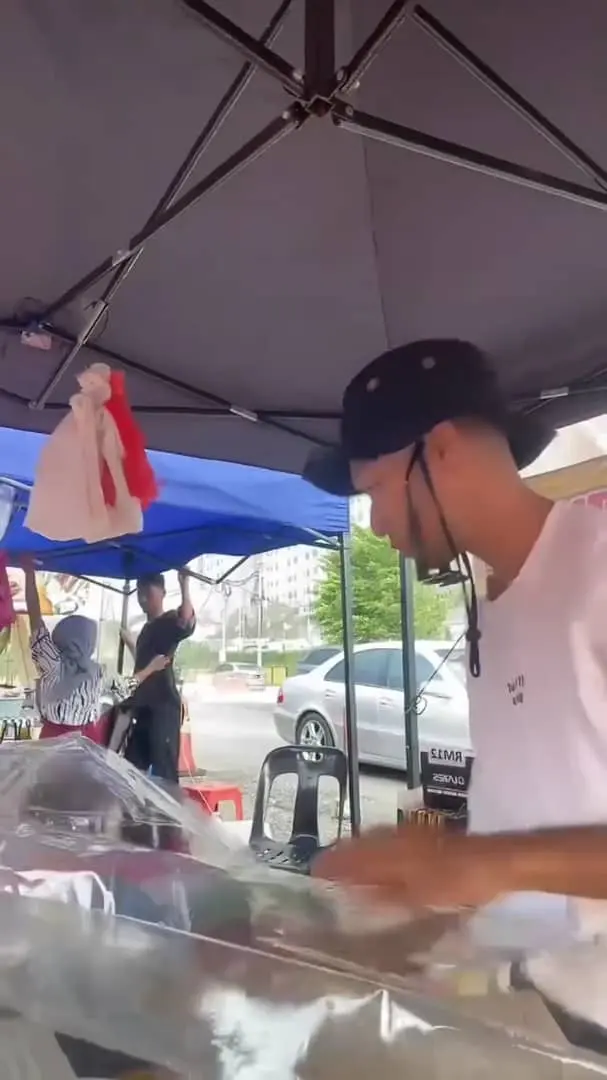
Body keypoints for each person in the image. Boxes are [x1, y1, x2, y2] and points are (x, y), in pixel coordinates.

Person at [303, 339, 607, 909]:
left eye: (375, 490)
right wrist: (432, 873)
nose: (375, 524)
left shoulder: (596, 570)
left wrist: (483, 862)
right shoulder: (489, 609)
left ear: (441, 449)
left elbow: (504, 859)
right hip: (517, 963)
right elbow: (528, 815)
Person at [23, 561, 168, 741]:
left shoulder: (52, 664)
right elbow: (125, 687)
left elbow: (35, 621)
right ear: (88, 643)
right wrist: (151, 668)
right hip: (86, 743)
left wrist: (29, 574)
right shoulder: (97, 673)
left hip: (51, 742)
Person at [121, 569, 195, 783]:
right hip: (143, 706)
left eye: (149, 594)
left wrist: (184, 584)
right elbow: (144, 661)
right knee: (131, 767)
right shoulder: (146, 629)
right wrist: (130, 642)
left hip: (163, 708)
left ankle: (169, 805)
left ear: (163, 592)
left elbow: (186, 620)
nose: (143, 599)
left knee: (164, 771)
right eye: (140, 594)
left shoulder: (168, 621)